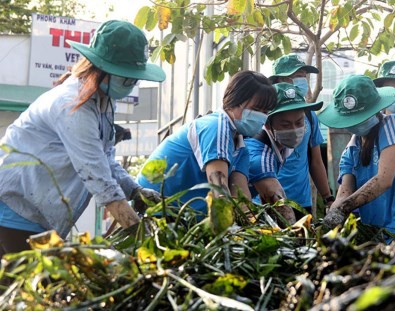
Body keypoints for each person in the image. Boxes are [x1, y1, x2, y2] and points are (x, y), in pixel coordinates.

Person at [0, 20, 164, 257]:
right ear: (102, 69)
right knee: (31, 288)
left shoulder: (104, 102)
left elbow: (105, 161)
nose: (132, 84)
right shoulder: (73, 106)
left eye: (134, 79)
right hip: (15, 210)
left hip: (37, 218)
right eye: (127, 78)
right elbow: (97, 177)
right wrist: (142, 236)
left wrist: (135, 191)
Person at [318, 75, 395, 243]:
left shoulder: (393, 124)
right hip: (381, 234)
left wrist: (343, 207)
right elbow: (344, 193)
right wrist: (329, 219)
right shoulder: (351, 150)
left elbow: (384, 180)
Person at [136, 70, 277, 215]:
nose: (261, 116)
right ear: (235, 101)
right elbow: (219, 190)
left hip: (182, 219)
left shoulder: (241, 148)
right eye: (256, 109)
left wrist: (252, 223)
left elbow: (241, 198)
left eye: (265, 112)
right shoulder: (216, 127)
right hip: (153, 212)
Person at [245, 83, 323, 225]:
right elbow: (282, 208)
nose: (294, 130)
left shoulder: (283, 147)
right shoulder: (260, 155)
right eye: (285, 125)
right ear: (268, 124)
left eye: (299, 122)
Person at [269, 54, 335, 214]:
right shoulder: (264, 115)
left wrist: (328, 198)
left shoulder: (309, 115)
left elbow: (316, 161)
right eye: (296, 76)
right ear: (279, 80)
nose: (302, 81)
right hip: (268, 200)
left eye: (303, 76)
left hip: (301, 202)